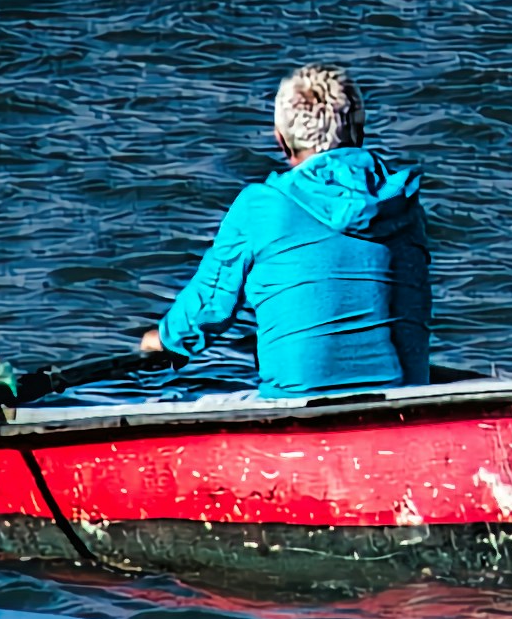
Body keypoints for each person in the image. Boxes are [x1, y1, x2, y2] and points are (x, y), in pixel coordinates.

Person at [139, 66, 430, 396]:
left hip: (299, 398)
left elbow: (209, 307)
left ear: (281, 140)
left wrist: (166, 340)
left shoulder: (261, 206)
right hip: (403, 393)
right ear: (359, 131)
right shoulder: (403, 203)